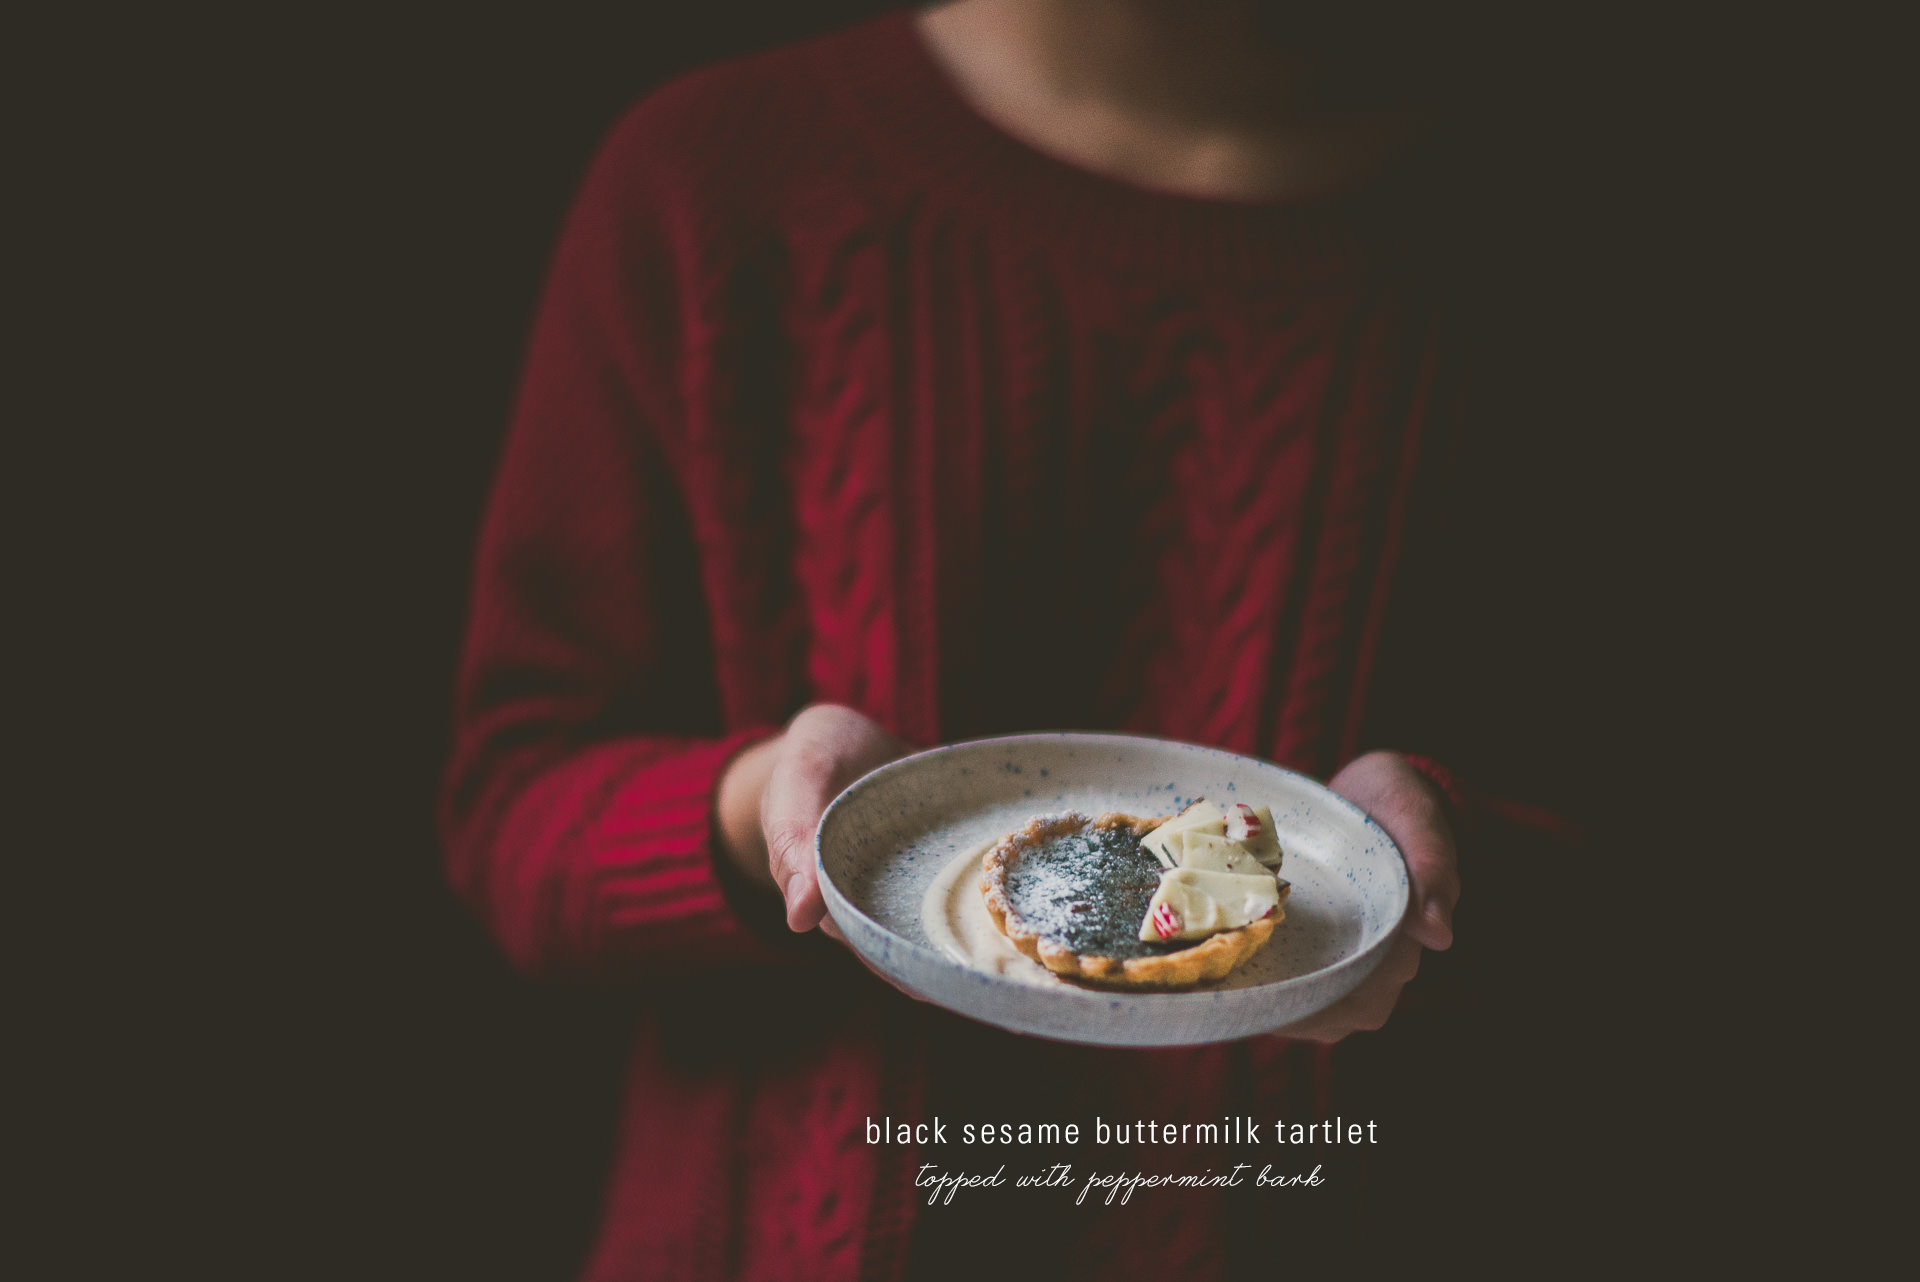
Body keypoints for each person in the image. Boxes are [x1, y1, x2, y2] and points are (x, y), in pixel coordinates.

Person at [443, 3, 1577, 1277]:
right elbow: (511, 813)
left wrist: (1446, 864)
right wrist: (766, 807)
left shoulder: (1549, 232)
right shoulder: (714, 177)